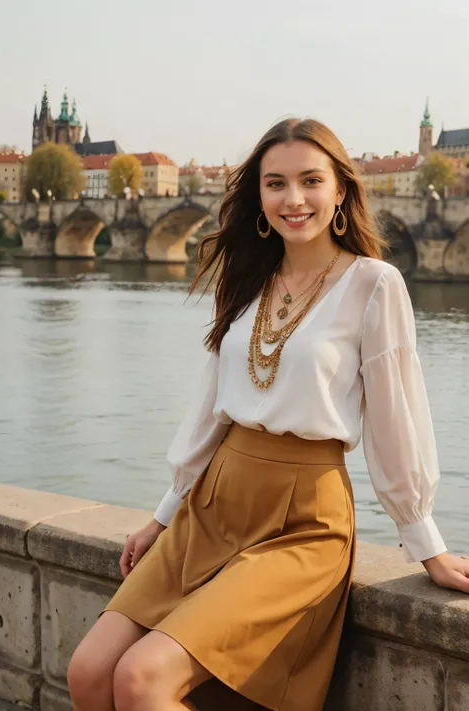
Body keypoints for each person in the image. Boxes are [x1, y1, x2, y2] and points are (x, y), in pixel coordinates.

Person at [67, 118, 469, 711]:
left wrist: (424, 540)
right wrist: (164, 511)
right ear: (258, 196)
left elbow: (396, 417)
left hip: (302, 519)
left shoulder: (374, 284)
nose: (293, 199)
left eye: (311, 180)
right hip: (210, 504)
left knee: (142, 679)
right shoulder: (249, 276)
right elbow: (213, 406)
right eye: (275, 183)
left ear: (340, 192)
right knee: (89, 672)